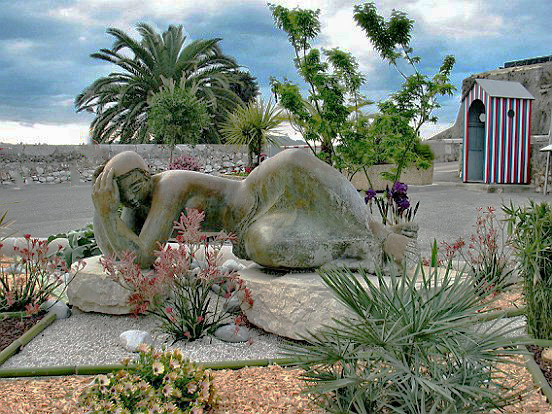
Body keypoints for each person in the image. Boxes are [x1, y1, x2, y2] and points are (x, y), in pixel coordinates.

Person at [92, 149, 416, 269]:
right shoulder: (135, 207)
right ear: (117, 194)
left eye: (139, 182)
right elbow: (130, 256)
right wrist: (103, 212)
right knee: (266, 248)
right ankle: (357, 248)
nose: (136, 194)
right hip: (250, 230)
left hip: (256, 191)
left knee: (294, 160)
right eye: (127, 192)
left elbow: (145, 254)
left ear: (147, 175)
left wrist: (107, 214)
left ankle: (378, 232)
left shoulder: (168, 185)